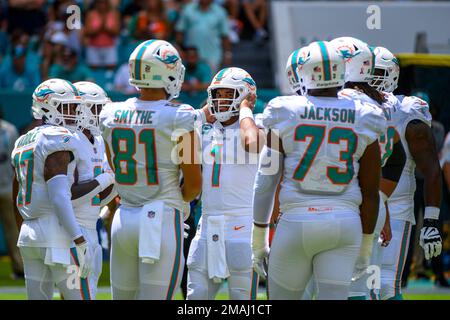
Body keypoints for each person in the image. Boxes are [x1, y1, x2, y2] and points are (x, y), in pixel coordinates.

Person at [251, 41, 386, 300]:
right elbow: (371, 190)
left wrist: (259, 236)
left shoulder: (285, 110)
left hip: (297, 220)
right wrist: (366, 245)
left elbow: (266, 180)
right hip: (345, 223)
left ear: (303, 73)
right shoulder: (365, 114)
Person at [99, 39, 202, 300]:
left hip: (124, 220)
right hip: (162, 219)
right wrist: (179, 199)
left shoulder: (111, 114)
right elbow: (193, 185)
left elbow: (113, 167)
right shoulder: (180, 115)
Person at [11, 78, 113, 300]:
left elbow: (16, 193)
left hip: (29, 235)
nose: (75, 112)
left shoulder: (23, 140)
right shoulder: (58, 137)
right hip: (57, 235)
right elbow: (59, 196)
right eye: (68, 106)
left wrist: (24, 227)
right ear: (47, 105)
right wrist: (79, 239)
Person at [368, 47, 444, 299]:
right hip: (358, 203)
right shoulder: (350, 106)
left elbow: (432, 168)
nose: (372, 78)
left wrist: (431, 220)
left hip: (395, 205)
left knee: (387, 285)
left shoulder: (407, 111)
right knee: (358, 284)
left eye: (377, 72)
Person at [186, 67, 260, 300]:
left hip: (243, 224)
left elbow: (253, 143)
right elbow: (177, 134)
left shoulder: (259, 127)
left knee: (242, 301)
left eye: (228, 94)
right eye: (217, 94)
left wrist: (246, 111)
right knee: (195, 299)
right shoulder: (202, 129)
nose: (220, 100)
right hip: (207, 224)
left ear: (245, 96)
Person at [68, 81, 118, 299]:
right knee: (76, 293)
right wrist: (109, 178)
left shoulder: (98, 140)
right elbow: (69, 195)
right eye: (96, 108)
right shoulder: (69, 139)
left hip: (91, 225)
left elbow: (100, 196)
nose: (100, 114)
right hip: (72, 227)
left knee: (88, 290)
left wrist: (115, 183)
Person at [176, 0, 232, 72]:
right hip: (190, 56)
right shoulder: (188, 9)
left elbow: (225, 35)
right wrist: (180, 50)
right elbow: (180, 31)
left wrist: (227, 54)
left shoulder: (221, 12)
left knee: (210, 82)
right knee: (187, 82)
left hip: (212, 57)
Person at [0, 108, 23, 278]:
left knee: (13, 230)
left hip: (6, 186)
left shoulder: (9, 130)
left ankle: (19, 268)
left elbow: (15, 161)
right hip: (6, 185)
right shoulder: (9, 129)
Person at [84, 0, 121, 69]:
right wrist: (100, 28)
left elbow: (117, 32)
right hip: (93, 47)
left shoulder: (114, 14)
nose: (102, 5)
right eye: (100, 3)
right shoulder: (90, 14)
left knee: (111, 68)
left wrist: (105, 28)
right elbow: (87, 32)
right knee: (93, 69)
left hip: (109, 47)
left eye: (103, 3)